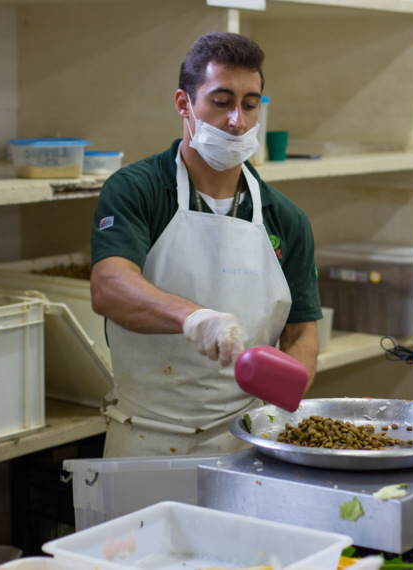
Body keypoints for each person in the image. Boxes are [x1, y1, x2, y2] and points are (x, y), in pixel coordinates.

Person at [89, 32, 322, 458]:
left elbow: (302, 330)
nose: (238, 120)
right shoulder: (138, 190)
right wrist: (193, 318)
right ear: (183, 104)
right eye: (221, 101)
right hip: (148, 437)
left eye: (250, 104)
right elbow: (109, 285)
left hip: (250, 439)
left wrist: (292, 385)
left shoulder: (285, 219)